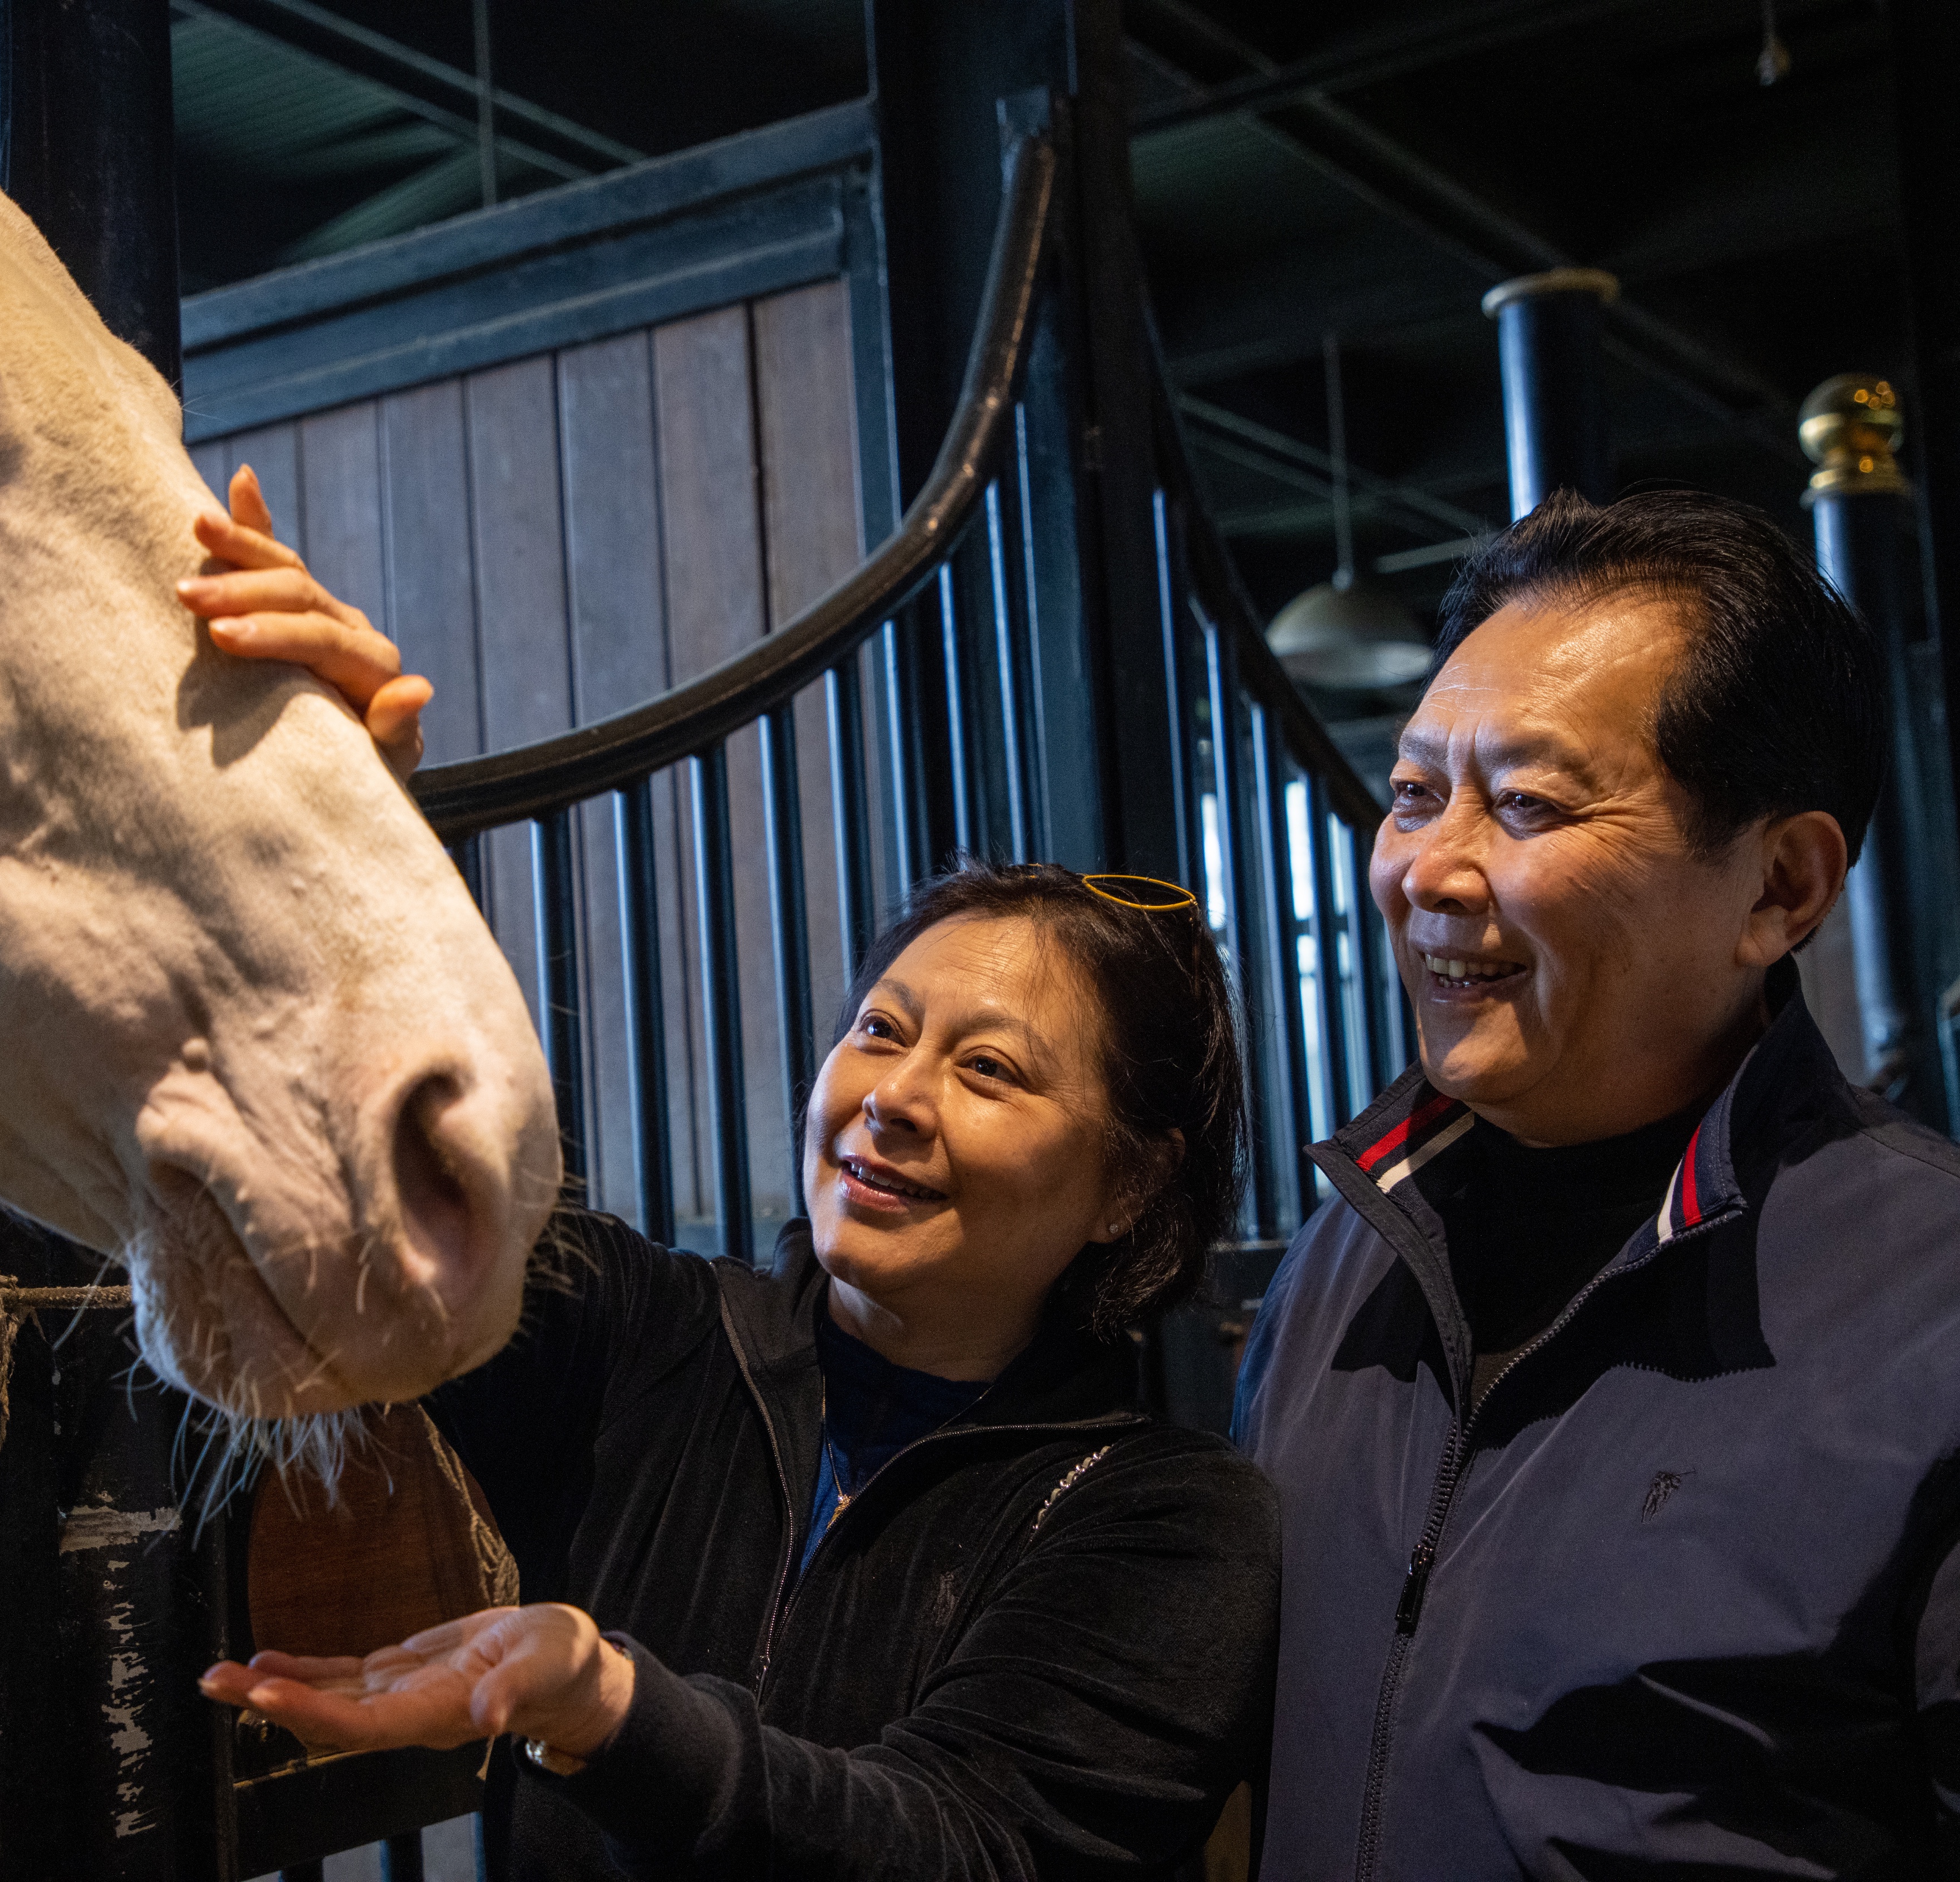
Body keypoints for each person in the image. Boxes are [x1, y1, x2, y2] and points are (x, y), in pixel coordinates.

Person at [177, 471, 1280, 1878]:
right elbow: (377, 1191)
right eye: (879, 1030)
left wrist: (612, 1707)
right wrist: (320, 819)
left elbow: (973, 1847)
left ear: (1130, 1189)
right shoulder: (652, 1338)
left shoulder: (1165, 1517)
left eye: (989, 1070)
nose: (891, 1099)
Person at [1232, 488, 1960, 1875]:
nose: (1430, 869)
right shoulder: (1344, 1255)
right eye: (1410, 793)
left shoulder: (1931, 1308)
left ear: (1781, 889)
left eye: (1524, 802)